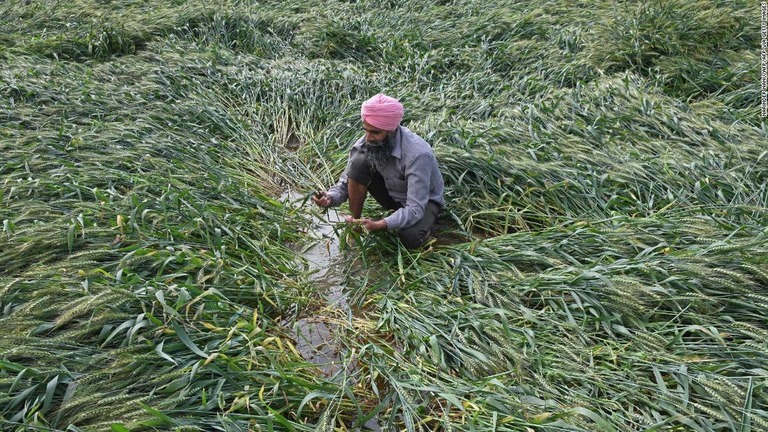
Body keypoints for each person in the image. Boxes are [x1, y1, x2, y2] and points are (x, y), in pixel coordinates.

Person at [312, 93, 445, 249]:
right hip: (392, 194)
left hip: (423, 201)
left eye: (375, 132)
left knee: (410, 238)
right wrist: (330, 198)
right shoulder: (365, 143)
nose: (368, 138)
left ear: (391, 131)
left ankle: (429, 225)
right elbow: (346, 181)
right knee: (358, 162)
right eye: (366, 130)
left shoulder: (417, 155)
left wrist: (381, 224)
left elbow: (415, 208)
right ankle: (356, 223)